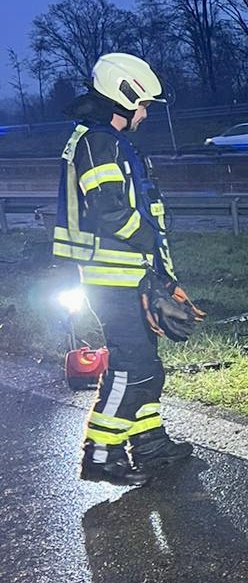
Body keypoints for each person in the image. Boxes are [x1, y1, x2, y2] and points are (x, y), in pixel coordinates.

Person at [54, 52, 201, 486]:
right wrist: (151, 241)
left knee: (145, 365)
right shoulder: (100, 142)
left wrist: (158, 269)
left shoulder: (101, 139)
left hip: (123, 274)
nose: (146, 112)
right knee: (132, 369)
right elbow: (111, 213)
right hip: (112, 276)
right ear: (124, 96)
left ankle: (151, 445)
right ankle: (101, 453)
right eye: (144, 104)